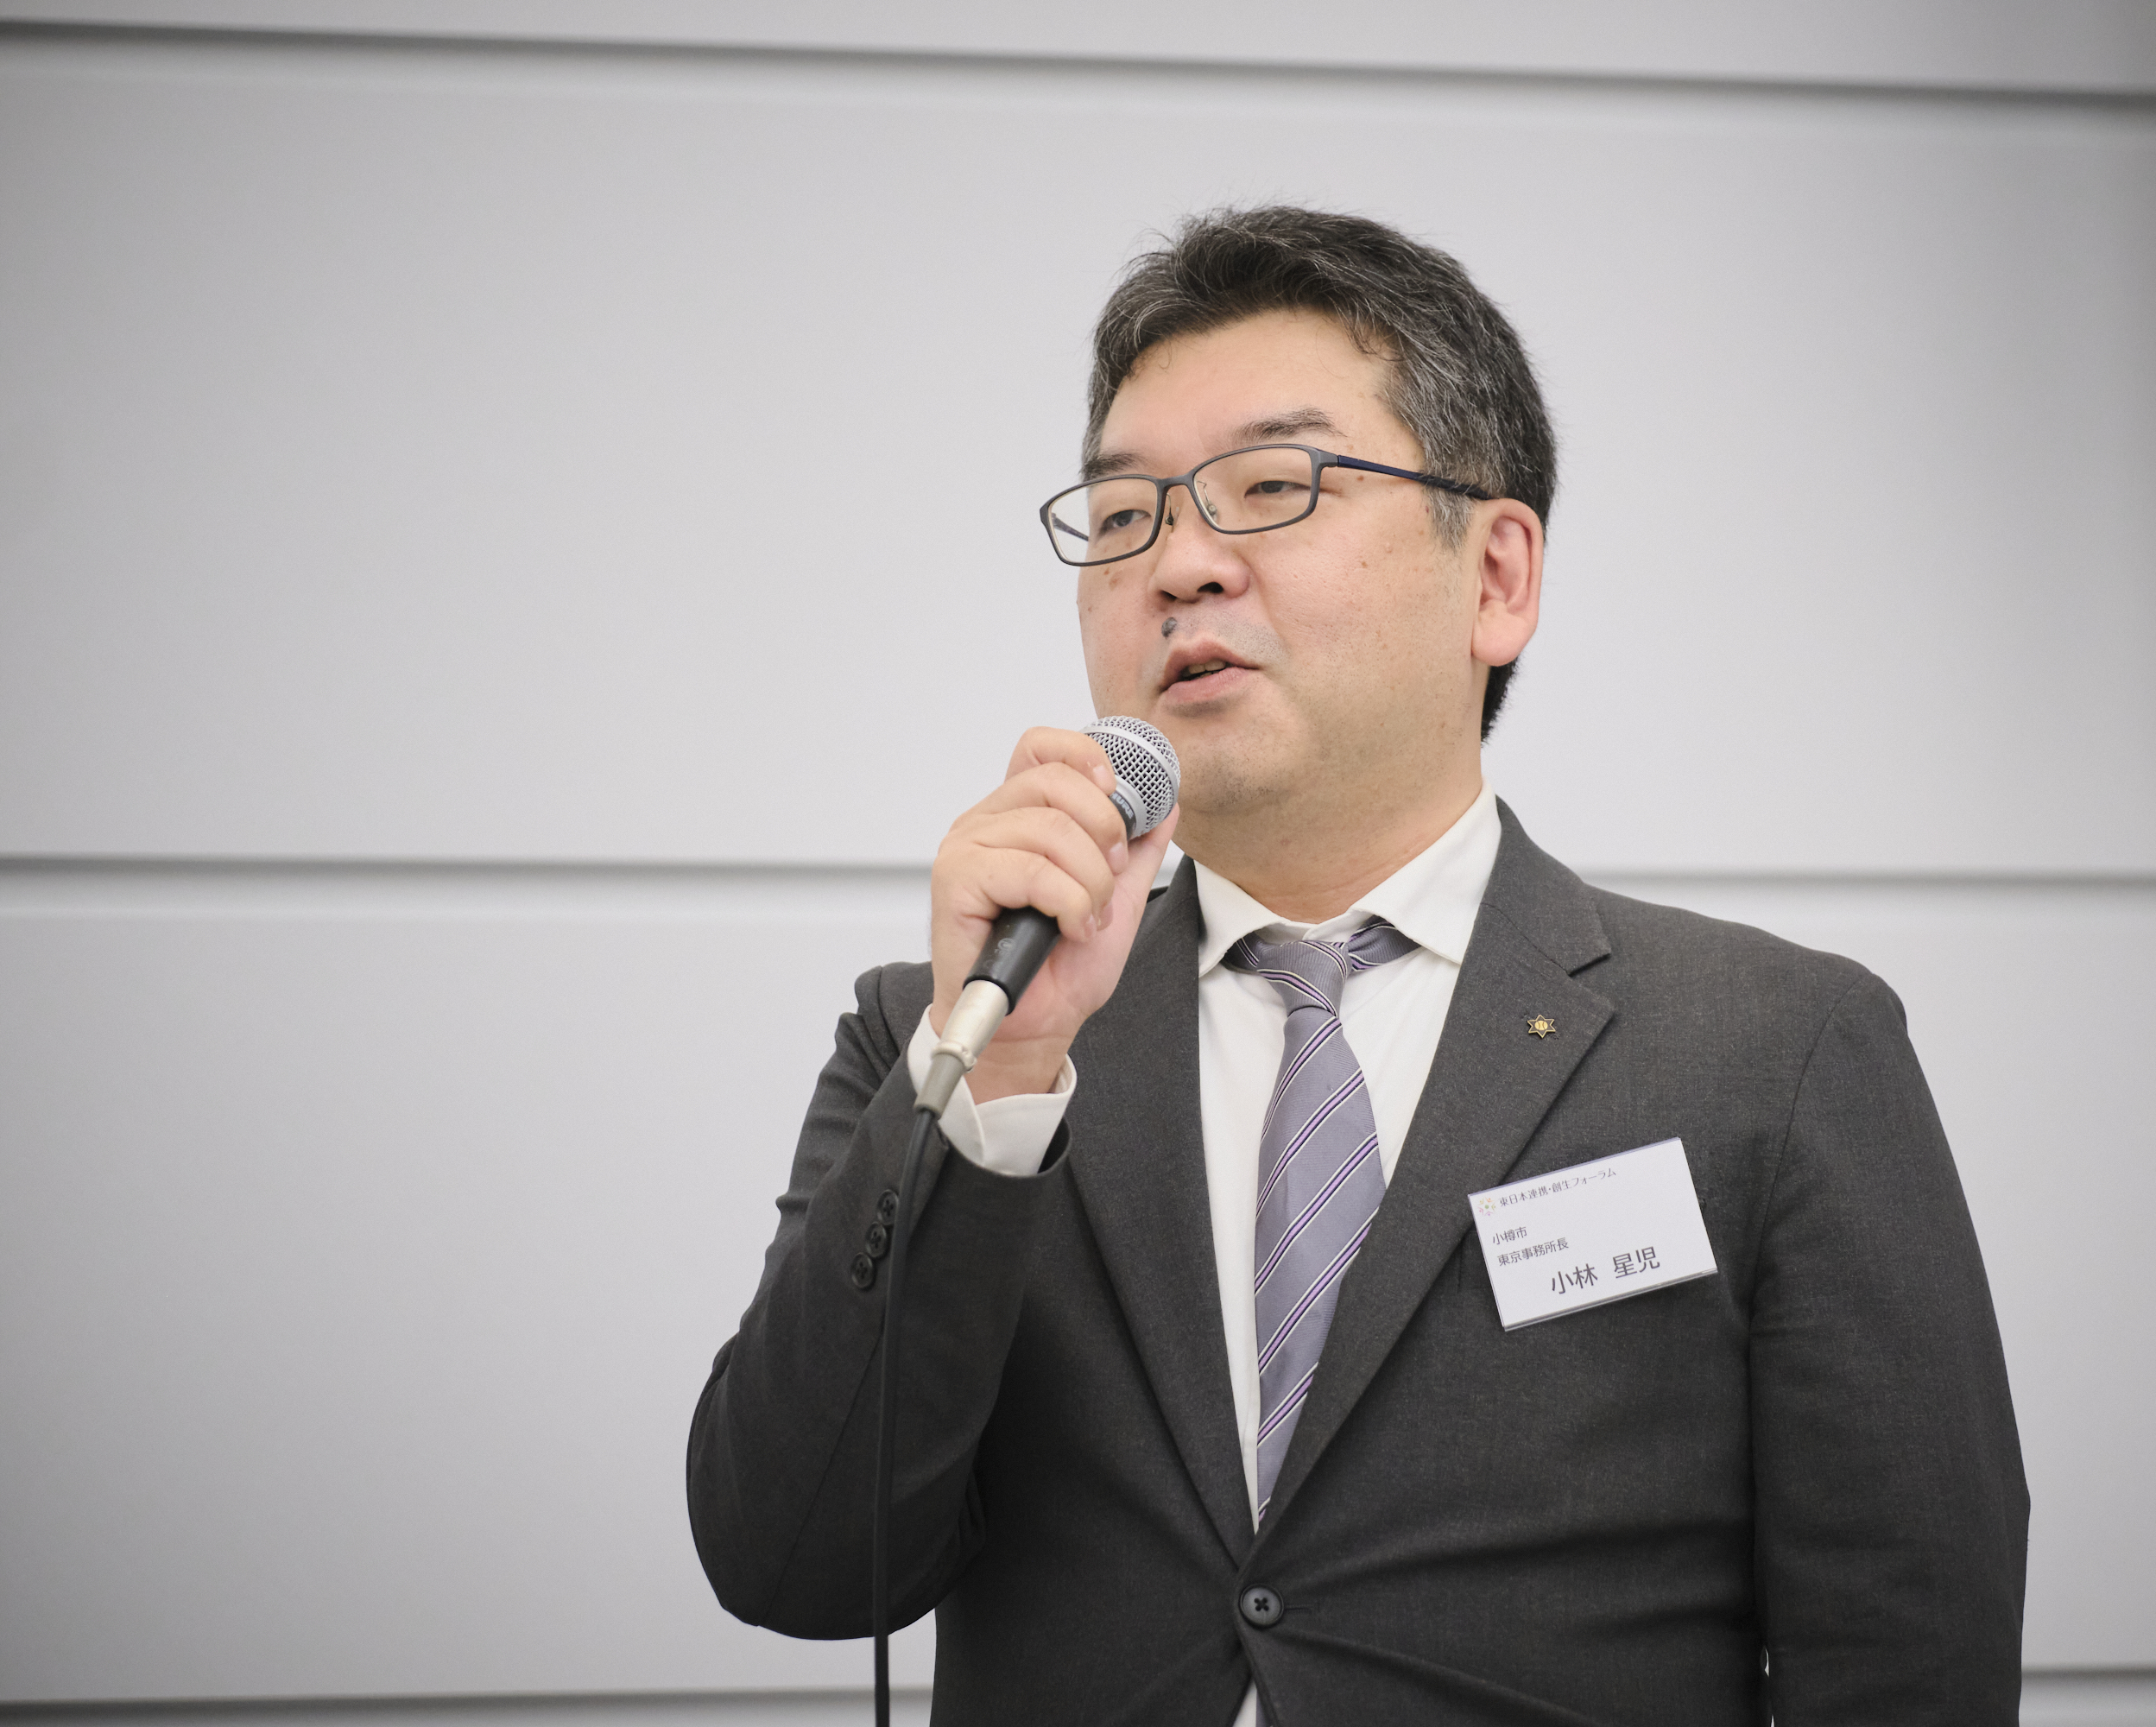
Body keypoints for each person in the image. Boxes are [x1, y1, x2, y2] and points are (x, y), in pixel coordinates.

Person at [688, 206, 2026, 1724]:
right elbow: (791, 1563)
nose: (1180, 565)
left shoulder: (1772, 1053)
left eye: (1274, 487)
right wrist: (996, 1079)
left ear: (1497, 575)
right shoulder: (947, 1039)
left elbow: (1909, 1657)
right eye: (1123, 516)